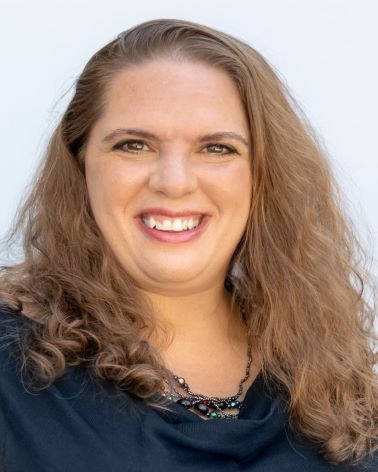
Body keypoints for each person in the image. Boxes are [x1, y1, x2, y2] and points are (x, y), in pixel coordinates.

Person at [0, 18, 377, 471]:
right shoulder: (10, 368)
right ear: (80, 164)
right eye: (134, 145)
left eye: (217, 149)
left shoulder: (335, 376)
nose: (174, 183)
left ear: (264, 176)